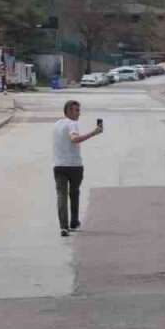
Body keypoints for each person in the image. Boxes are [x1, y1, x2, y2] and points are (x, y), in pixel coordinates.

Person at [52, 100, 103, 237]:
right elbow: (74, 139)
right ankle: (73, 221)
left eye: (79, 110)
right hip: (74, 166)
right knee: (74, 193)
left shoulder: (57, 124)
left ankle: (64, 226)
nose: (79, 113)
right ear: (68, 111)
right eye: (76, 110)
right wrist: (94, 132)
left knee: (61, 195)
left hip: (58, 166)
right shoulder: (72, 124)